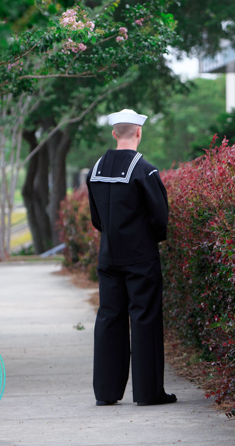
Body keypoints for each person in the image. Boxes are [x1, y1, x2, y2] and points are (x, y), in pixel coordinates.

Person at [86, 109, 177, 406]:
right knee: (145, 318)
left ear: (114, 133)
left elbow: (97, 219)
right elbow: (160, 217)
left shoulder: (96, 168)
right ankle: (149, 394)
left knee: (109, 318)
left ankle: (106, 393)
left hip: (108, 256)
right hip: (140, 257)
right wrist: (148, 240)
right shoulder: (145, 170)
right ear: (139, 132)